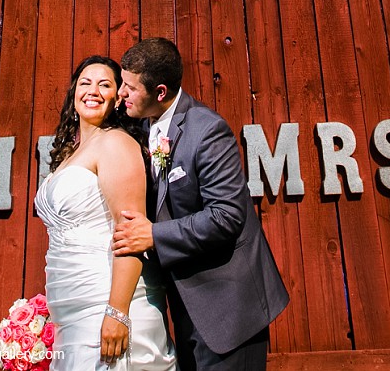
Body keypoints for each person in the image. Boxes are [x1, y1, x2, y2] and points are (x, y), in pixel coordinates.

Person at [112, 39, 288, 371]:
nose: (122, 92)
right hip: (184, 307)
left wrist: (154, 235)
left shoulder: (206, 130)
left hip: (229, 307)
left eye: (130, 87)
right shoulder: (141, 124)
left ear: (160, 92)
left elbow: (226, 216)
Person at [35, 55, 176, 371]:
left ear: (117, 99)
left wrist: (117, 312)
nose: (93, 90)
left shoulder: (115, 144)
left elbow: (130, 235)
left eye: (105, 84)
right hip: (70, 313)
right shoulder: (70, 155)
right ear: (74, 94)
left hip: (105, 305)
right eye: (85, 83)